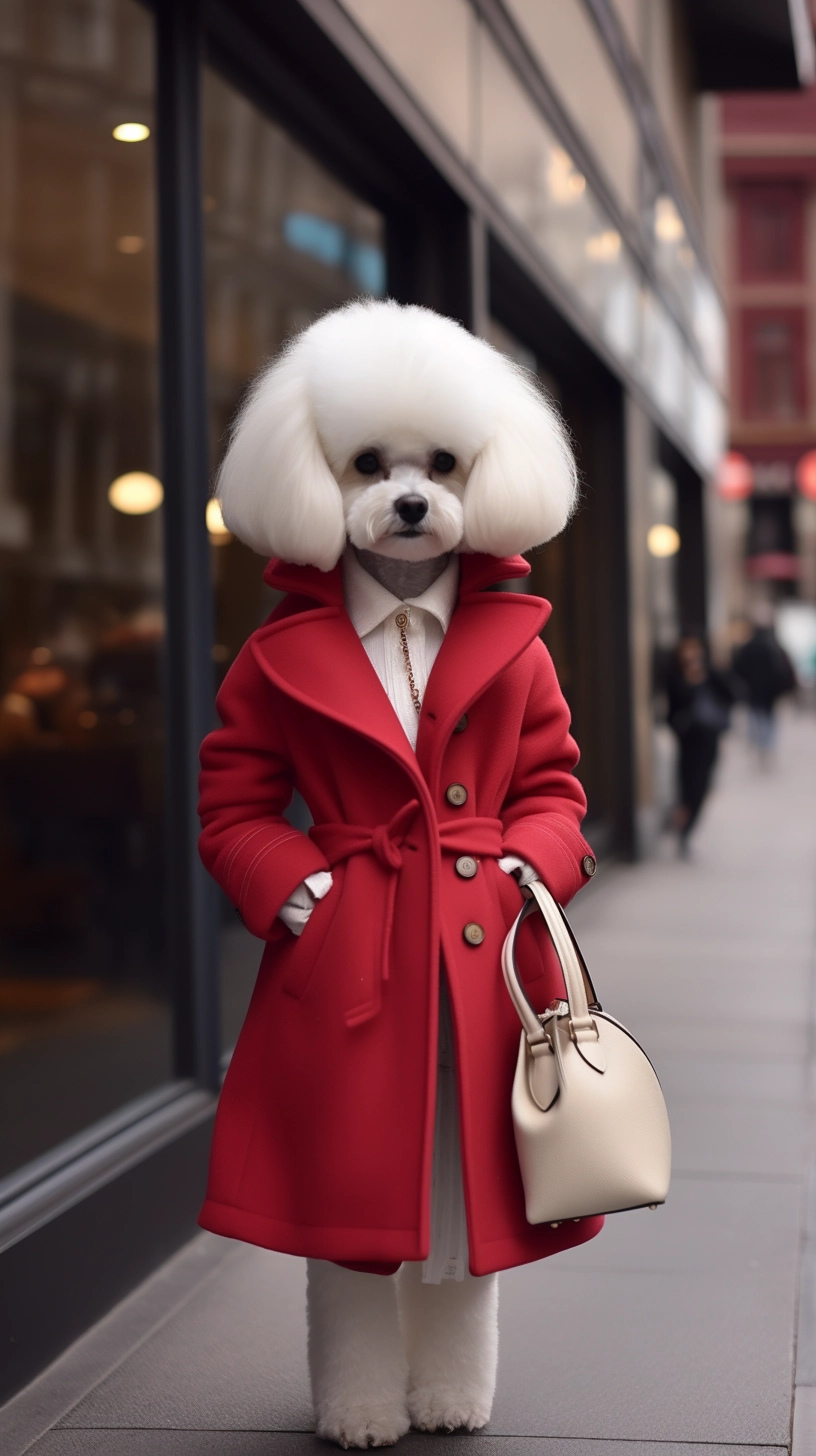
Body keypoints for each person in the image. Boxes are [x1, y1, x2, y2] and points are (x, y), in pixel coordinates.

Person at [666, 636, 735, 853]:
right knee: (688, 787)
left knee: (703, 787)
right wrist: (690, 684)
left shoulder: (710, 673)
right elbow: (673, 712)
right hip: (688, 743)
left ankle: (687, 827)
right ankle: (683, 830)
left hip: (709, 740)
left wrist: (710, 674)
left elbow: (732, 694)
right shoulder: (676, 677)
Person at [733, 617, 797, 761]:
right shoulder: (774, 648)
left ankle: (759, 744)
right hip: (769, 692)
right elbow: (783, 670)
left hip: (754, 691)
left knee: (756, 717)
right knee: (768, 719)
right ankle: (766, 745)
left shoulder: (748, 648)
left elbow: (738, 668)